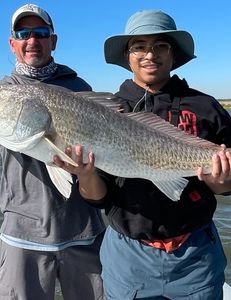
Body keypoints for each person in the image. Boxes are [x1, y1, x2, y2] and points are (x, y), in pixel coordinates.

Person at [54, 10, 231, 300]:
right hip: (128, 257)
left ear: (173, 54)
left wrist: (221, 179)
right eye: (139, 46)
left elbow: (224, 188)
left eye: (160, 46)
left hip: (196, 255)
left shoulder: (206, 107)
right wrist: (85, 175)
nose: (150, 54)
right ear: (128, 55)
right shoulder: (106, 109)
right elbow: (100, 197)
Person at [0, 4, 106, 300]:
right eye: (23, 33)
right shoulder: (6, 91)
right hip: (22, 234)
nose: (32, 40)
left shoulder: (78, 87)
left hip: (83, 232)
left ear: (53, 41)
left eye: (41, 33)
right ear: (12, 43)